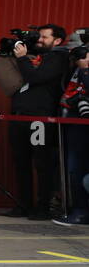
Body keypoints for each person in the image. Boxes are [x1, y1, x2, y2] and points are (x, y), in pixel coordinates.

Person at [4, 25, 71, 220]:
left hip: (39, 119)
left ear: (57, 40)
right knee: (20, 162)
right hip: (20, 116)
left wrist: (23, 58)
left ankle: (43, 207)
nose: (39, 40)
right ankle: (23, 205)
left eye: (44, 37)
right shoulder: (36, 56)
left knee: (42, 163)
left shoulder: (59, 58)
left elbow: (35, 77)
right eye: (38, 36)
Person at [53, 49, 89, 226]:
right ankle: (78, 209)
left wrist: (85, 69)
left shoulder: (84, 69)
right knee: (73, 170)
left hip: (84, 127)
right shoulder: (75, 67)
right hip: (73, 124)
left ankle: (82, 212)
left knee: (80, 170)